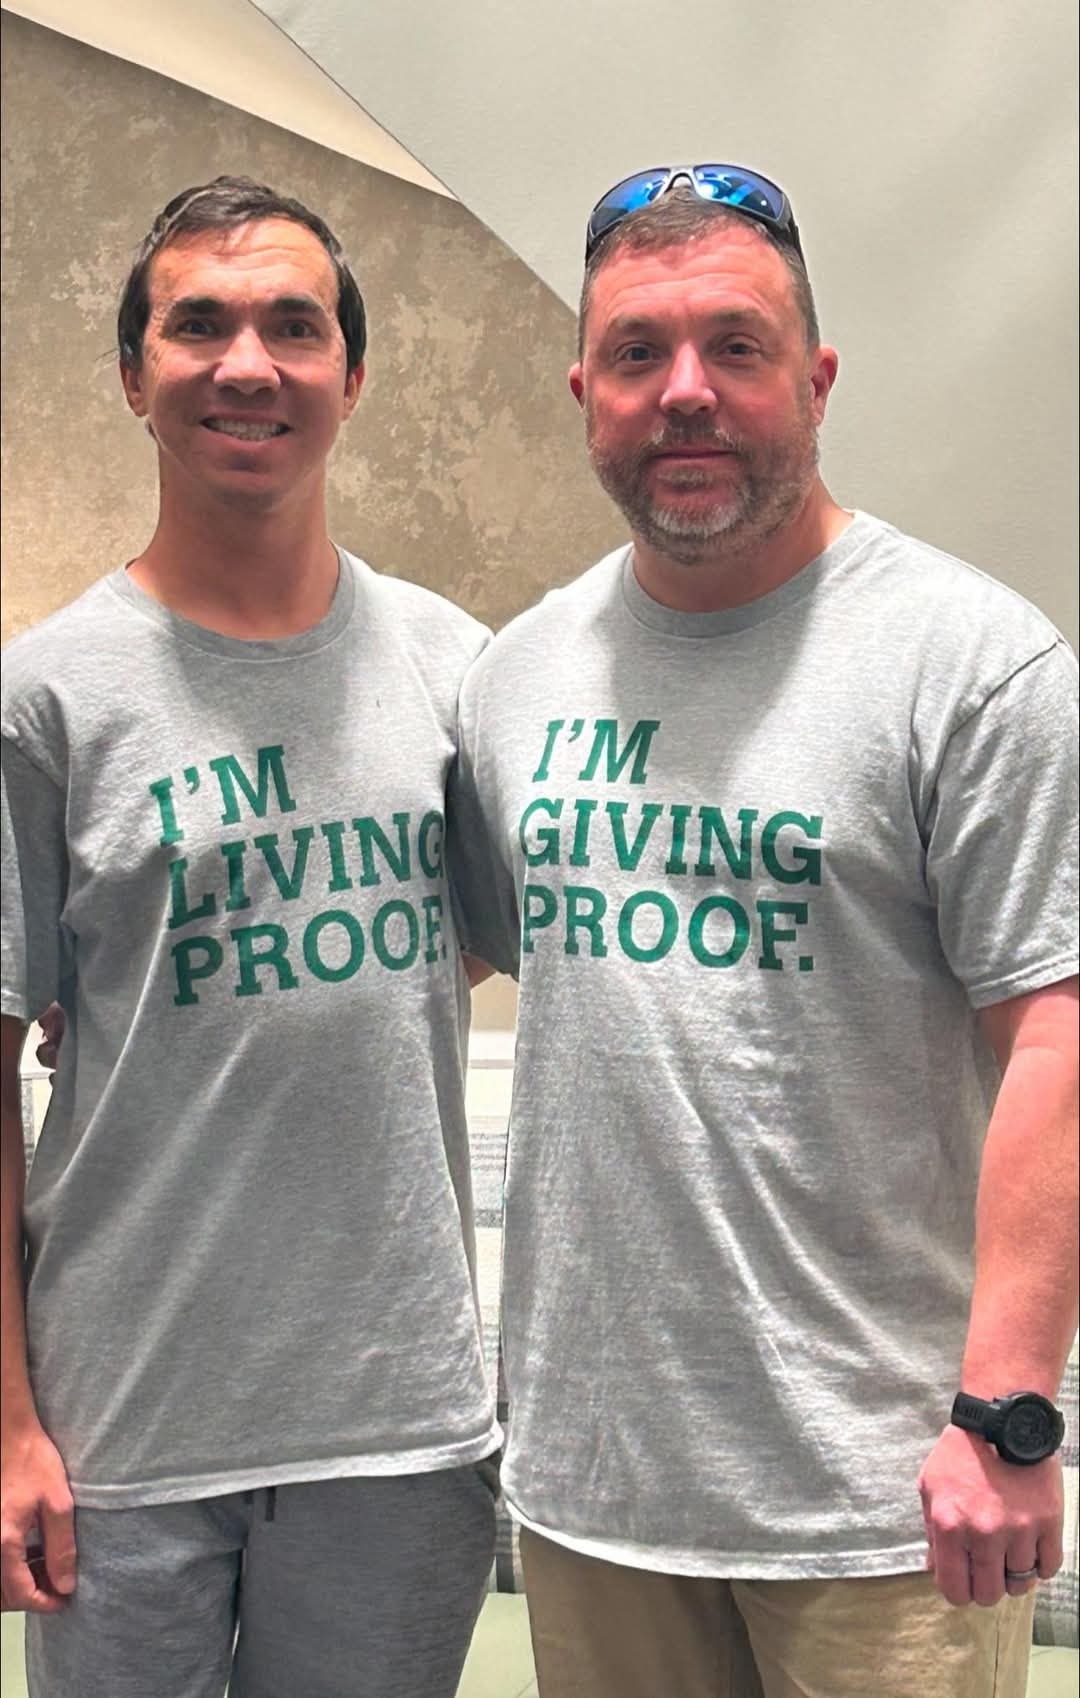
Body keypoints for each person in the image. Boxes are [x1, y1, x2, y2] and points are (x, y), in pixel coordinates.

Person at [449, 165, 1079, 1697]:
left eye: (735, 347)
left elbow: (1056, 1031)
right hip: (597, 1490)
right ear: (583, 386)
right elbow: (446, 953)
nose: (688, 395)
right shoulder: (516, 679)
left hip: (879, 1506)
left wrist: (1006, 1412)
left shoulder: (971, 662)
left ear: (816, 377)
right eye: (640, 354)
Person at [0, 176, 500, 1697]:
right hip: (123, 1434)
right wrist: (9, 1420)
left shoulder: (455, 668)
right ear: (133, 374)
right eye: (197, 324)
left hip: (401, 1427)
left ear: (350, 374)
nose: (247, 363)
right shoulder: (46, 699)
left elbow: (477, 940)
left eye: (294, 324)